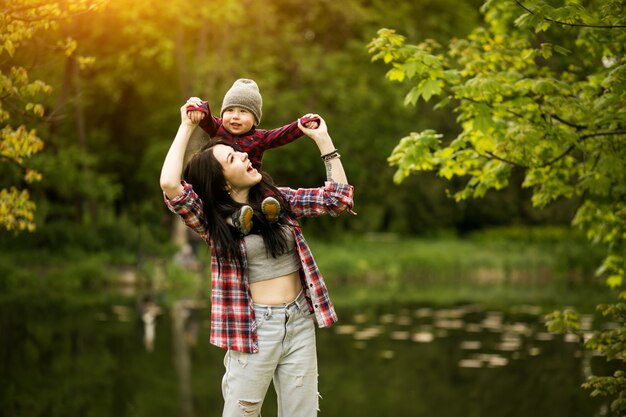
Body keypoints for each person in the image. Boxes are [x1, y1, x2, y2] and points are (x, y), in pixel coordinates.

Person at [160, 97, 354, 417]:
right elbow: (169, 183)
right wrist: (187, 125)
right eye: (234, 157)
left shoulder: (278, 200)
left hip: (299, 319)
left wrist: (323, 141)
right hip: (255, 328)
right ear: (221, 181)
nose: (246, 156)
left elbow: (336, 198)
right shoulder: (212, 221)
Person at [186, 78, 319, 236]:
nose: (235, 117)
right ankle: (239, 221)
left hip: (253, 184)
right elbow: (205, 118)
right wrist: (198, 107)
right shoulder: (218, 129)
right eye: (230, 111)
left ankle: (270, 212)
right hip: (227, 188)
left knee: (268, 192)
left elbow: (283, 134)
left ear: (255, 119)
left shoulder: (260, 138)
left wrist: (303, 124)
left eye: (243, 112)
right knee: (221, 205)